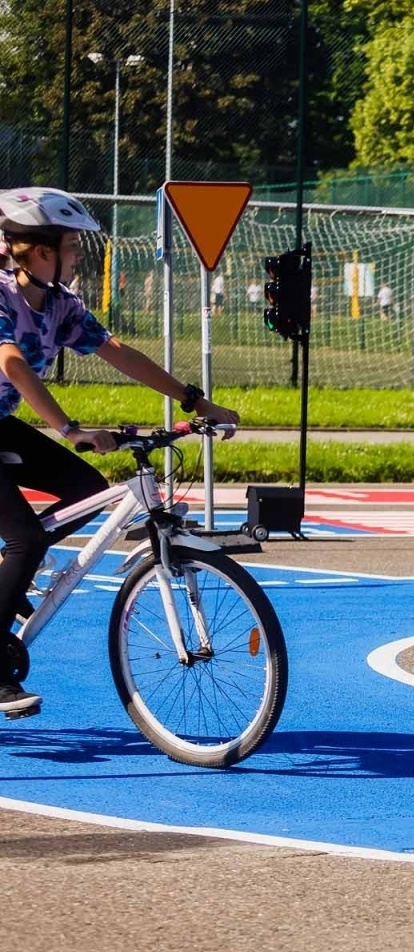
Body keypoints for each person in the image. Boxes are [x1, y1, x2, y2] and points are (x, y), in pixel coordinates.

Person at [0, 187, 239, 719]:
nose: (77, 256)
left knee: (88, 490)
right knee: (26, 538)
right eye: (70, 246)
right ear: (41, 251)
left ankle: (8, 574)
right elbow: (12, 363)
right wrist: (68, 429)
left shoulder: (59, 305)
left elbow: (118, 353)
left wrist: (195, 400)